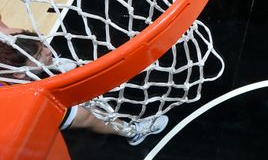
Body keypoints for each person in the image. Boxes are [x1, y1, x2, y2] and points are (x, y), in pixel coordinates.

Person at [0, 16, 168, 145]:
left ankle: (50, 66)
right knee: (86, 116)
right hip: (15, 107)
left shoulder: (8, 40)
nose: (47, 50)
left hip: (21, 73)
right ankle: (133, 132)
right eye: (39, 54)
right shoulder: (18, 97)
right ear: (20, 74)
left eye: (42, 45)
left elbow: (6, 31)